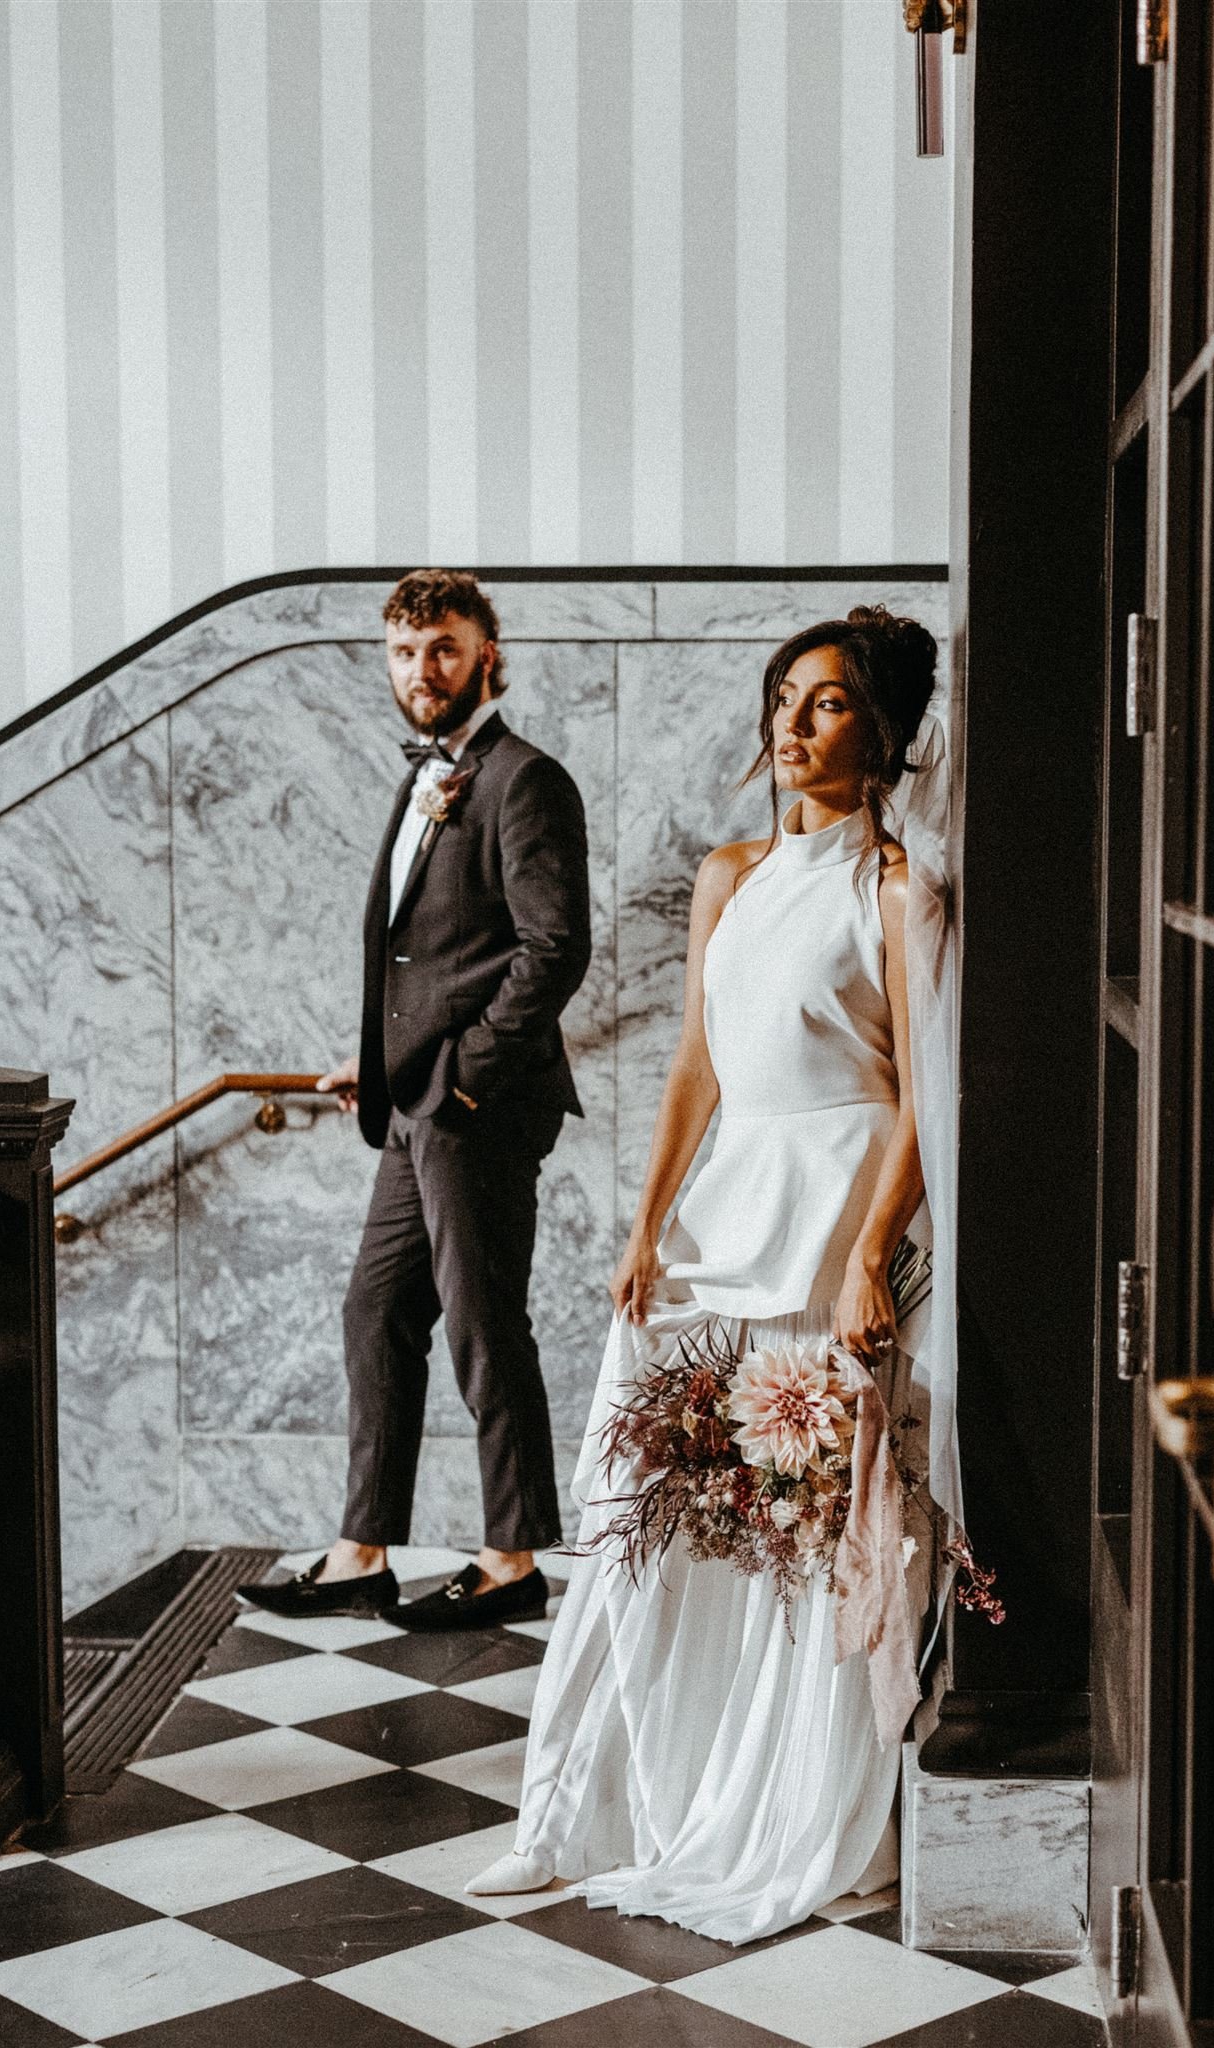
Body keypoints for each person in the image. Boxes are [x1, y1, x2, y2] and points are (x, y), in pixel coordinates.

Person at [466, 605, 966, 1943]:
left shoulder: (898, 890)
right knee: (638, 1516)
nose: (793, 725)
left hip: (830, 1216)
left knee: (799, 1534)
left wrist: (872, 1255)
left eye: (828, 702)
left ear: (885, 731)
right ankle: (574, 1815)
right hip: (720, 1211)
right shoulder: (729, 872)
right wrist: (645, 1226)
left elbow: (925, 1098)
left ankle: (790, 1811)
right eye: (785, 698)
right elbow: (696, 1060)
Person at [239, 569, 591, 1630]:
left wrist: (464, 1077)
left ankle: (512, 1557)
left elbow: (553, 948)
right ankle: (361, 1551)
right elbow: (426, 955)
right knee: (377, 1310)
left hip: (473, 1106)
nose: (420, 669)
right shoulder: (428, 778)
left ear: (488, 652)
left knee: (483, 1322)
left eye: (442, 646)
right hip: (415, 1102)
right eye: (402, 651)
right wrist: (385, 1064)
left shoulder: (524, 779)